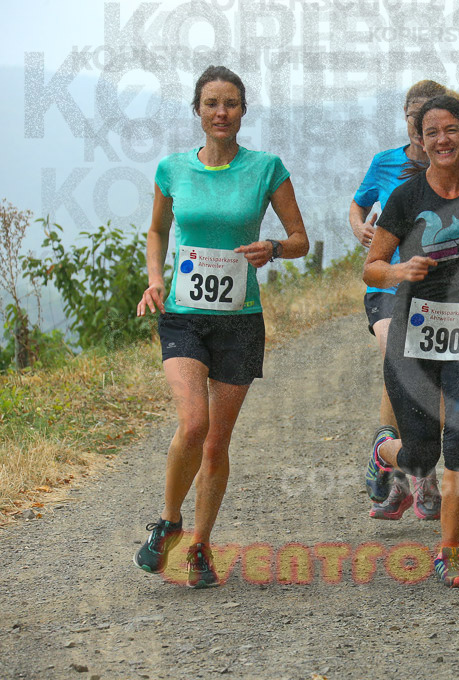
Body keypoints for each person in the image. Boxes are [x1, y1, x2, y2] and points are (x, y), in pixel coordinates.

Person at [134, 65, 309, 588]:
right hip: (185, 314)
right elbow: (156, 231)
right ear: (197, 110)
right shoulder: (172, 170)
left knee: (216, 443)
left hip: (240, 320)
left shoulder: (266, 168)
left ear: (243, 111)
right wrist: (154, 280)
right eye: (211, 103)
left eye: (230, 103)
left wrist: (274, 248)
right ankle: (168, 522)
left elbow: (299, 237)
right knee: (193, 424)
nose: (221, 112)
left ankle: (202, 548)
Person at [362, 95, 459, 588]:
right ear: (421, 141)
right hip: (413, 333)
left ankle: (449, 552)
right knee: (420, 456)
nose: (443, 140)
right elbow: (372, 266)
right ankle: (385, 451)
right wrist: (400, 269)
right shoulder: (407, 197)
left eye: (451, 130)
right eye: (432, 133)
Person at [349, 81, 449, 521]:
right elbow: (358, 204)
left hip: (440, 295)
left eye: (428, 112)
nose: (418, 119)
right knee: (400, 357)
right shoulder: (384, 162)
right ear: (406, 117)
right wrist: (359, 228)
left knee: (436, 388)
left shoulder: (454, 164)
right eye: (413, 111)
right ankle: (410, 468)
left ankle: (403, 469)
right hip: (388, 287)